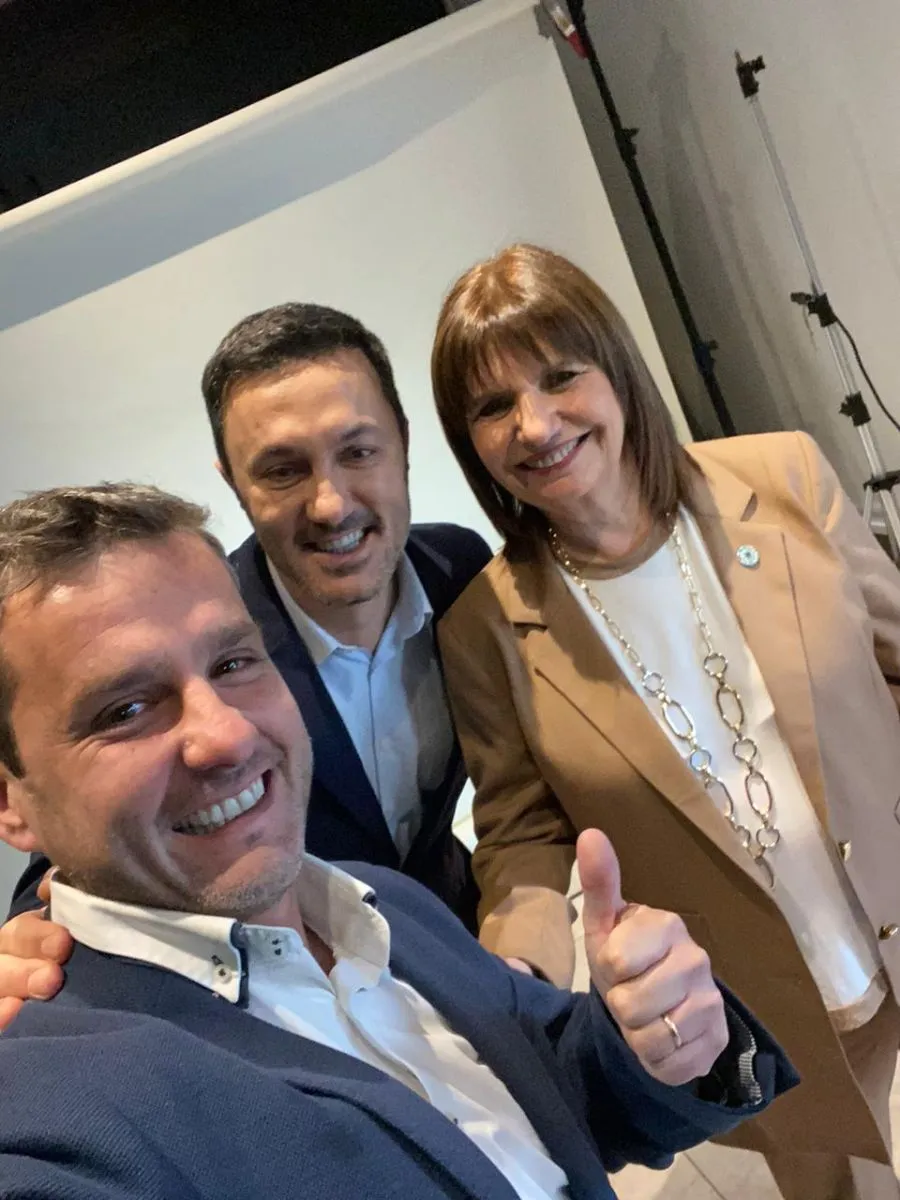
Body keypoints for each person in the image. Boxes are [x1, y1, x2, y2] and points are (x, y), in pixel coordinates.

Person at [0, 484, 793, 1199]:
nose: (227, 734)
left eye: (235, 661)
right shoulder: (57, 1115)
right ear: (10, 801)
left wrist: (651, 1033)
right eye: (125, 710)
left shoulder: (386, 905)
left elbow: (553, 1095)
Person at [428, 243, 900, 1200]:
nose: (536, 425)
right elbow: (520, 832)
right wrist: (516, 971)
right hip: (755, 1003)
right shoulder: (484, 628)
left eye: (562, 377)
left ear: (618, 368)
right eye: (492, 406)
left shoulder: (783, 479)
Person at [1, 304, 492, 1009]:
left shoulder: (460, 571)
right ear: (235, 484)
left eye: (358, 451)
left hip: (457, 948)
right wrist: (29, 936)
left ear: (404, 443)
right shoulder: (210, 641)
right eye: (283, 471)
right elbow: (80, 831)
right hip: (296, 1002)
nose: (330, 504)